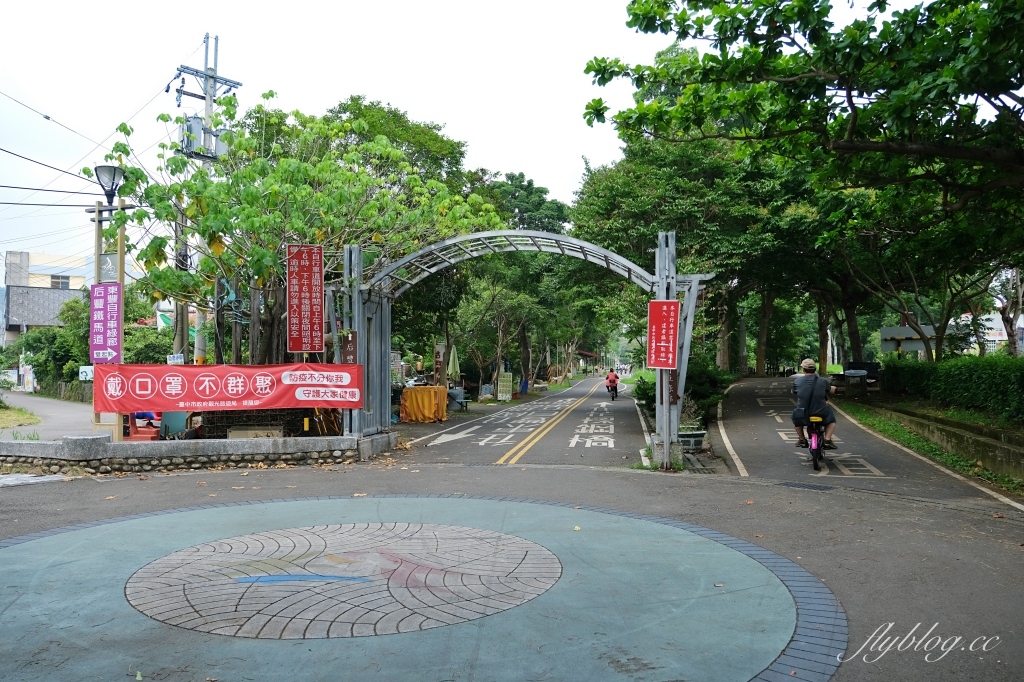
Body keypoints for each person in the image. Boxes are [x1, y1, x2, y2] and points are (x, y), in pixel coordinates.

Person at [791, 358, 837, 449]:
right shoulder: (823, 381)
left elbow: (793, 391)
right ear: (815, 369)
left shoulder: (797, 382)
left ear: (803, 369)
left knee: (796, 419)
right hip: (821, 411)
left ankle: (802, 440)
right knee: (831, 420)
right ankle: (827, 440)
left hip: (803, 412)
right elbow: (830, 390)